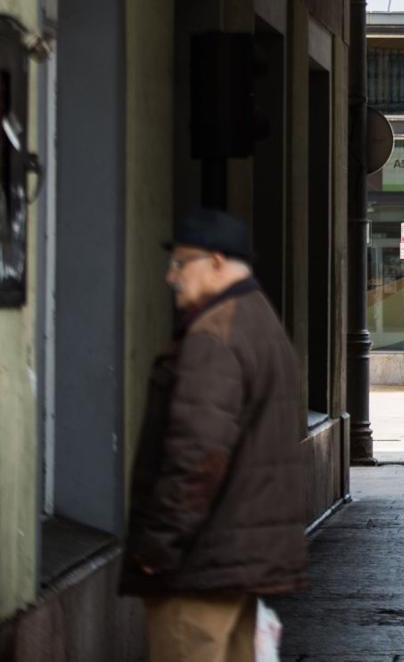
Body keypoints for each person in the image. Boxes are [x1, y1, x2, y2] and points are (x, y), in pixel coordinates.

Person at [121, 208, 307, 661]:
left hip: (201, 561)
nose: (171, 276)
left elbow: (197, 453)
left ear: (218, 262)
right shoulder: (260, 320)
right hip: (235, 557)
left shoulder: (215, 333)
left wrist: (158, 545)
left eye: (182, 262)